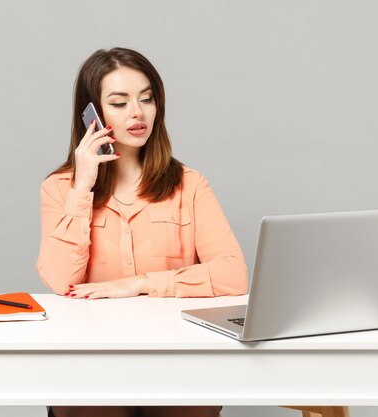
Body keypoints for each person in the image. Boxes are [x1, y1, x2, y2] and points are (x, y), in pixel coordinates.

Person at [36, 47, 248, 417]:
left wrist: (141, 283)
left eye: (146, 99)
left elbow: (234, 274)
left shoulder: (190, 185)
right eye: (119, 103)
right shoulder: (60, 188)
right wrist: (82, 187)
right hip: (91, 357)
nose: (138, 112)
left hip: (178, 356)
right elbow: (58, 280)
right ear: (92, 116)